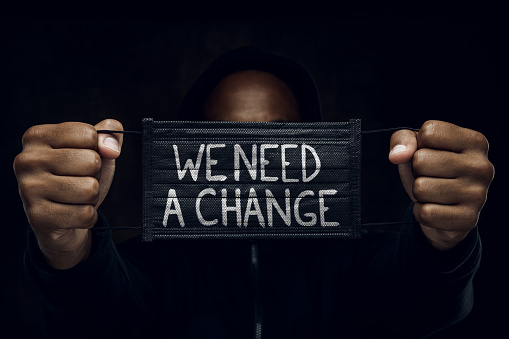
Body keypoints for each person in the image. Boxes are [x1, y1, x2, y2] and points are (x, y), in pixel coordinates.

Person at [14, 47, 494, 338]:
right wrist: (67, 247)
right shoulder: (151, 266)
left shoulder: (355, 260)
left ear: (314, 145)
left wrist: (442, 241)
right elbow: (96, 317)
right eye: (224, 134)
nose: (253, 153)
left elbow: (419, 301)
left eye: (279, 132)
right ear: (190, 146)